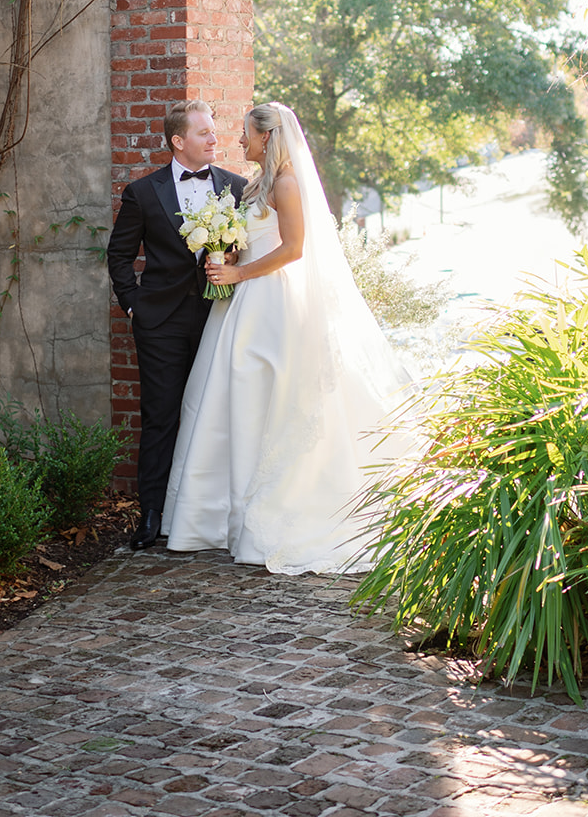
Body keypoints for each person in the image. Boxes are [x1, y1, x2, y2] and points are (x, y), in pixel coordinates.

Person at [161, 101, 413, 574]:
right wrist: (230, 261)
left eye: (244, 133)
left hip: (273, 303)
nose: (238, 141)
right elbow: (257, 239)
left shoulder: (287, 183)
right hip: (245, 301)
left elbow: (293, 249)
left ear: (267, 137)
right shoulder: (257, 183)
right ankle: (220, 517)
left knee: (272, 400)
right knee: (233, 401)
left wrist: (240, 275)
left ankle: (281, 510)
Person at [107, 101, 247, 550]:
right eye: (204, 132)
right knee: (161, 418)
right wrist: (134, 308)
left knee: (218, 415)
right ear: (178, 141)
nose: (214, 139)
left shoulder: (236, 187)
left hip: (218, 320)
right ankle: (151, 515)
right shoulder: (143, 193)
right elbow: (119, 256)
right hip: (160, 325)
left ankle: (218, 516)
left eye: (214, 130)